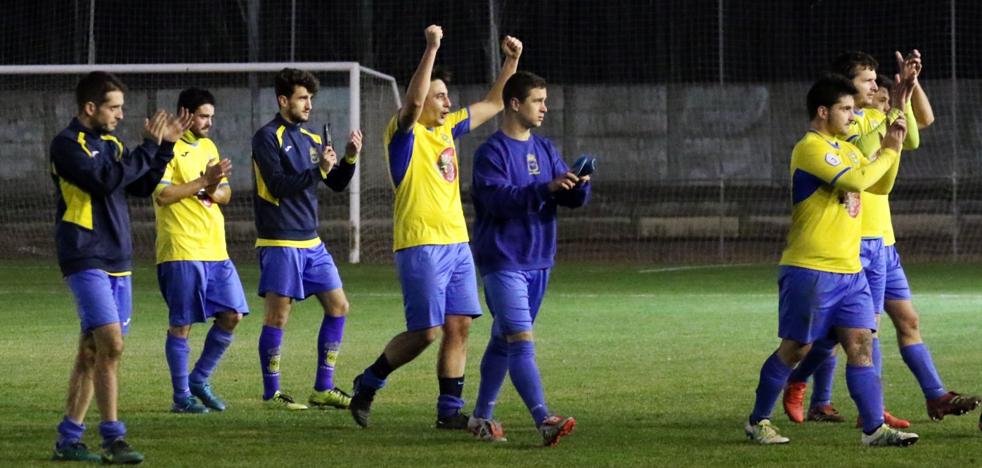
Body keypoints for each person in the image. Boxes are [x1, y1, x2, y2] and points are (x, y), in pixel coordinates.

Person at [782, 51, 980, 428]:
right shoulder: (847, 129)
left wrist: (907, 91)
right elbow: (871, 153)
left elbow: (916, 135)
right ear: (847, 88)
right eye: (868, 81)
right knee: (854, 332)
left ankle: (933, 395)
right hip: (857, 242)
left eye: (877, 81)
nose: (875, 86)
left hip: (884, 242)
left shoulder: (876, 115)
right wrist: (894, 108)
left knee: (903, 321)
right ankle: (826, 393)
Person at [348, 25, 522, 429]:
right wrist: (431, 47)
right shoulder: (403, 134)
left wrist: (511, 61)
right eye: (440, 96)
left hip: (457, 245)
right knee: (426, 332)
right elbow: (411, 102)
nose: (448, 102)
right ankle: (370, 380)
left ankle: (448, 414)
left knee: (458, 326)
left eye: (447, 96)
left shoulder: (447, 129)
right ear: (424, 98)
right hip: (420, 244)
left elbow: (496, 102)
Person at [744, 74, 918, 446]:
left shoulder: (849, 149)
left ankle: (874, 430)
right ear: (823, 111)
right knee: (797, 348)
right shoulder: (810, 148)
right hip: (811, 267)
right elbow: (856, 181)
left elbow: (880, 186)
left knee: (861, 343)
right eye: (846, 109)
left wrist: (895, 144)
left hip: (850, 270)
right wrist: (886, 151)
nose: (854, 116)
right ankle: (758, 421)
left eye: (855, 109)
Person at [50, 71, 191, 463]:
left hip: (117, 257)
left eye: (121, 107)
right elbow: (104, 181)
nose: (120, 115)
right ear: (89, 108)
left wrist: (163, 150)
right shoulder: (66, 145)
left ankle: (68, 440)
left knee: (93, 351)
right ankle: (114, 437)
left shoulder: (112, 143)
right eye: (114, 107)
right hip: (84, 254)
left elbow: (140, 186)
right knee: (111, 343)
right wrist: (148, 147)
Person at [467, 71, 589, 446]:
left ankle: (480, 418)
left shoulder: (546, 148)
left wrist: (576, 187)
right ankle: (544, 419)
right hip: (503, 261)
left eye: (545, 100)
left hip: (539, 261)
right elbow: (499, 201)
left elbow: (558, 194)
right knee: (521, 340)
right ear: (515, 104)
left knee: (504, 341)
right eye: (538, 101)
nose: (545, 108)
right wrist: (545, 187)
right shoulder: (491, 153)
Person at [252, 68, 363, 411]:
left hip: (311, 242)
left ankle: (323, 388)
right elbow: (278, 185)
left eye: (310, 98)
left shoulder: (313, 139)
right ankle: (272, 394)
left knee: (339, 306)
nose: (308, 104)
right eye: (302, 98)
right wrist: (319, 171)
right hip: (280, 240)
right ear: (284, 100)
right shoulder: (267, 137)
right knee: (278, 317)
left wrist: (348, 157)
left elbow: (337, 182)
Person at [153, 87, 249, 414]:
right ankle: (181, 397)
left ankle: (199, 379)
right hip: (181, 248)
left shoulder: (208, 145)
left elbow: (224, 193)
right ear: (185, 113)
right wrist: (203, 183)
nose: (208, 122)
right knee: (182, 324)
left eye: (211, 116)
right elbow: (163, 195)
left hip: (215, 249)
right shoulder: (167, 148)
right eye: (203, 116)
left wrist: (210, 186)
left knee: (232, 314)